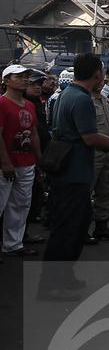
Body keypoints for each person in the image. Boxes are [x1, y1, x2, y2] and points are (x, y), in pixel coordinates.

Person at [38, 54, 109, 300]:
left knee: (76, 225)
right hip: (73, 174)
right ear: (97, 74)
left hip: (71, 172)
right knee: (67, 229)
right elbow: (90, 137)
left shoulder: (68, 94)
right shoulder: (81, 99)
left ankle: (64, 276)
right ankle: (51, 284)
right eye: (102, 71)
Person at [0, 66, 42, 258]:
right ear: (6, 81)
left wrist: (39, 160)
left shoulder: (30, 105)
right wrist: (5, 162)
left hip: (26, 163)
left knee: (21, 204)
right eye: (19, 77)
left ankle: (13, 244)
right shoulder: (2, 103)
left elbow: (33, 134)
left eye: (26, 76)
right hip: (5, 165)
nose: (25, 80)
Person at [23, 70, 50, 246]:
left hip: (38, 155)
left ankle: (22, 234)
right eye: (33, 84)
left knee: (31, 197)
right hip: (23, 157)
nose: (37, 87)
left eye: (39, 84)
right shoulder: (22, 104)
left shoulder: (36, 104)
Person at [88, 77, 109, 243]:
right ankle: (82, 228)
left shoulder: (105, 101)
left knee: (105, 190)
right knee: (87, 191)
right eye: (97, 80)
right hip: (93, 152)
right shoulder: (86, 101)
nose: (100, 83)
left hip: (107, 151)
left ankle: (101, 225)